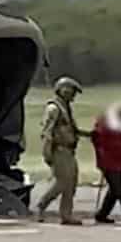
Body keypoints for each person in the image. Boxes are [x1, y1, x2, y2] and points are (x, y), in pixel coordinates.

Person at [35, 76, 89, 225]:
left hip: (69, 151)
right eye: (72, 91)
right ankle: (41, 205)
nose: (73, 95)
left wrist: (91, 135)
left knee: (71, 184)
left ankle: (66, 215)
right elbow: (47, 132)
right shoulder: (54, 109)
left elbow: (72, 129)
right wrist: (47, 153)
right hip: (59, 150)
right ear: (63, 90)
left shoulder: (66, 109)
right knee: (61, 182)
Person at [92, 101, 121, 224]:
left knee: (114, 190)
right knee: (118, 188)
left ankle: (102, 214)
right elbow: (97, 140)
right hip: (108, 161)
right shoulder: (103, 125)